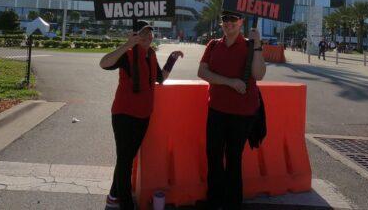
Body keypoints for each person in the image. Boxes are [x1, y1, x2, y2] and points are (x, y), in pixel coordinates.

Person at [99, 20, 184, 210]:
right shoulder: (127, 54)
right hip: (124, 115)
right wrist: (127, 44)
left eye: (150, 33)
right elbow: (103, 63)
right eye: (143, 33)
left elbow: (159, 78)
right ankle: (125, 203)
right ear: (135, 36)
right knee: (125, 159)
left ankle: (113, 196)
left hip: (143, 115)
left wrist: (171, 58)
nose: (148, 37)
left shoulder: (151, 54)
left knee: (126, 158)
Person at [198, 11, 267, 210]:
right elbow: (202, 72)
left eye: (233, 20)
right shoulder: (213, 45)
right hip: (216, 109)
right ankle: (214, 199)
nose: (228, 23)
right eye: (225, 20)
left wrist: (258, 44)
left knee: (234, 158)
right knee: (213, 155)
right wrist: (230, 82)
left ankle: (232, 202)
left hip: (242, 113)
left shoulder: (249, 46)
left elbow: (259, 74)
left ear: (241, 22)